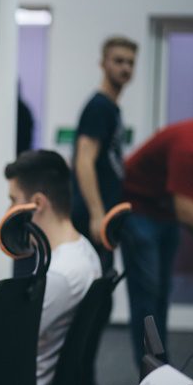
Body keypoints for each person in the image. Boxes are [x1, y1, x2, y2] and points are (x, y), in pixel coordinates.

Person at [122, 107, 193, 364]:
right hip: (138, 210)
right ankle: (150, 372)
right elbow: (188, 214)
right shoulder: (189, 146)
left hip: (166, 214)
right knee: (147, 294)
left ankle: (161, 365)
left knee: (162, 292)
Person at [5, 150, 107, 385]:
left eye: (13, 200)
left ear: (37, 203)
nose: (8, 212)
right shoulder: (83, 250)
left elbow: (8, 345)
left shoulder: (60, 275)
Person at [71, 36, 137, 271]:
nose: (125, 68)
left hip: (107, 210)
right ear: (103, 64)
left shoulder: (111, 107)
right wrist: (97, 215)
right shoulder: (99, 107)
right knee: (94, 281)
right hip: (91, 215)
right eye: (118, 61)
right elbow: (84, 161)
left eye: (130, 62)